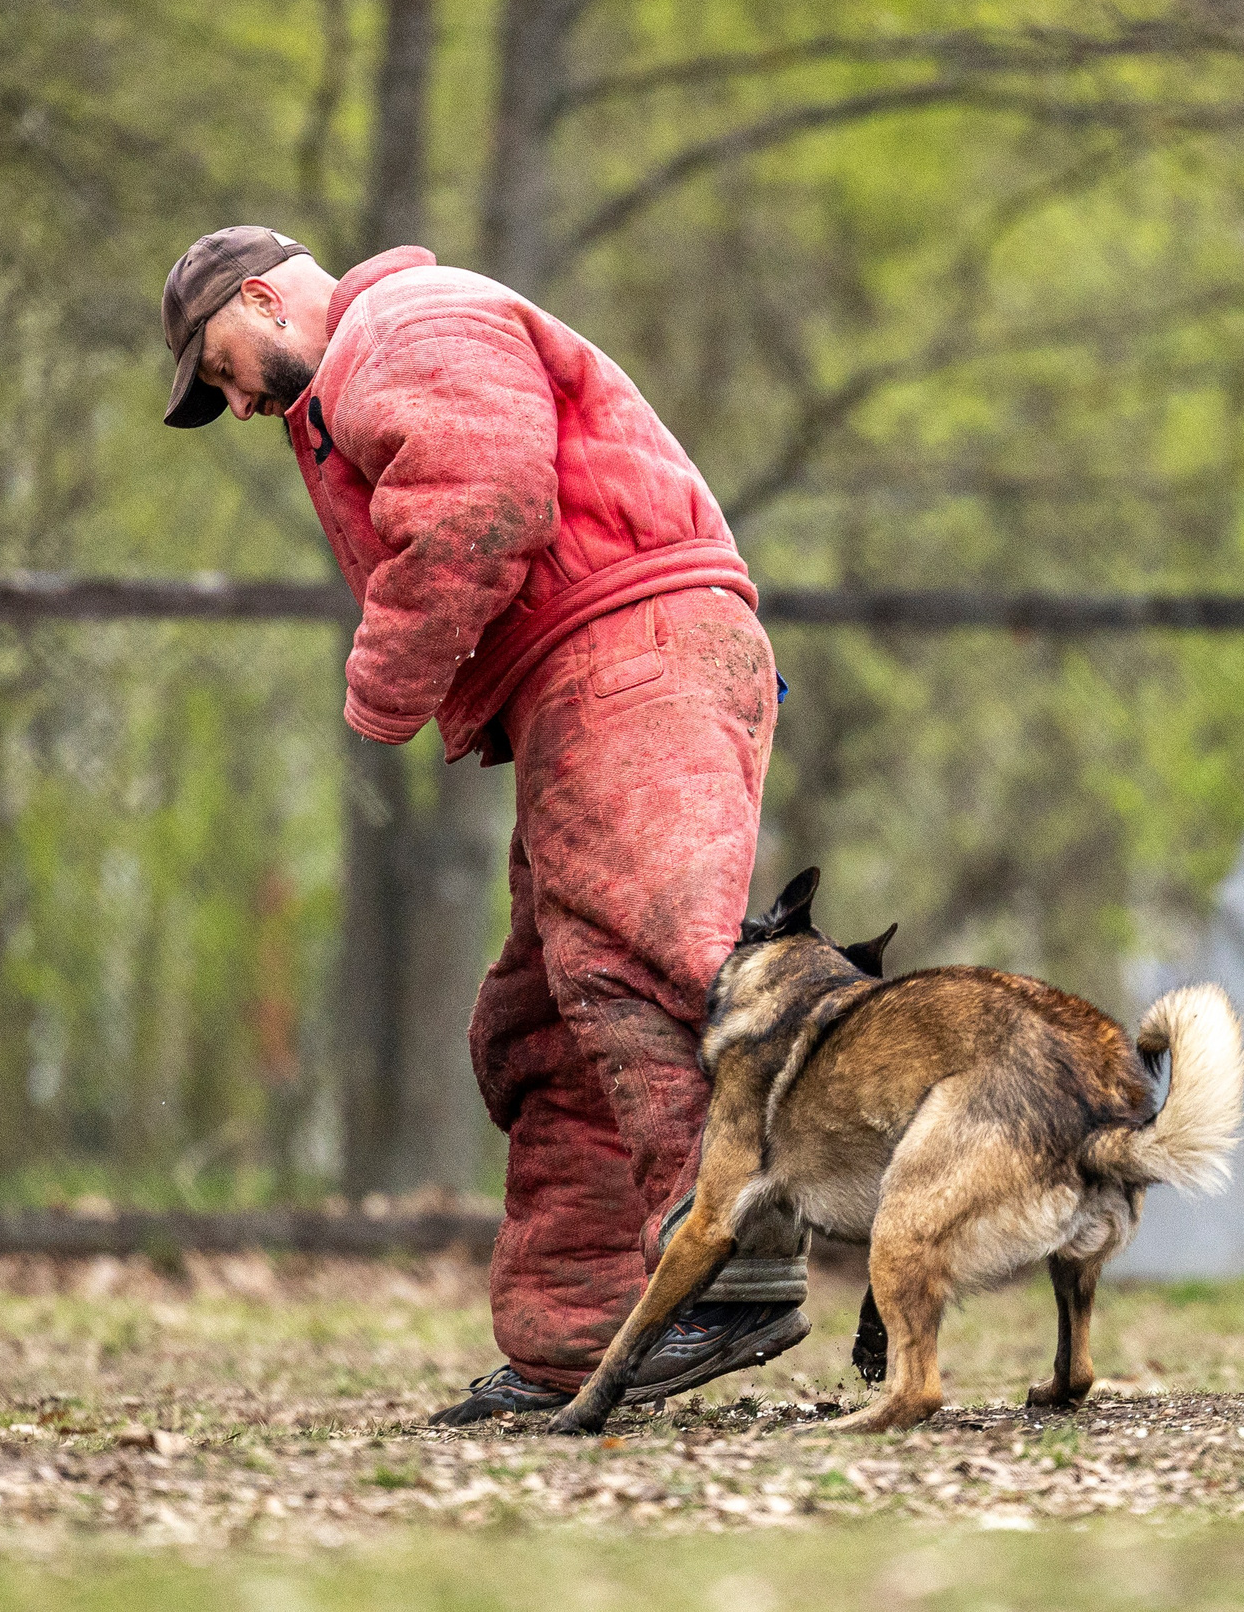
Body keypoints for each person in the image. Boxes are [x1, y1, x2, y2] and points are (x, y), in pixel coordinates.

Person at [161, 226, 809, 1424]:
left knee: (640, 959)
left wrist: (381, 687)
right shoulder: (364, 364)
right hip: (592, 669)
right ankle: (581, 1336)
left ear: (259, 298)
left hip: (631, 649)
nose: (236, 403)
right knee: (544, 1019)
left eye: (220, 368)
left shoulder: (405, 322)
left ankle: (735, 1259)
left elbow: (485, 496)